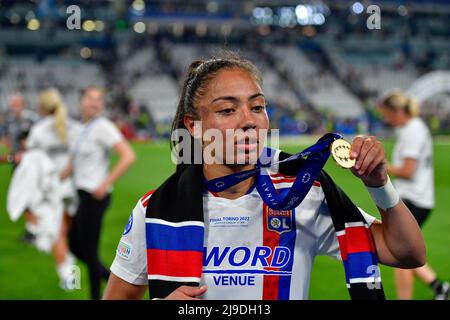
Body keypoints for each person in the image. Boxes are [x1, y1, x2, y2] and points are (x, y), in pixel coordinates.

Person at [104, 55, 425, 300]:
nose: (249, 121)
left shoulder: (305, 193)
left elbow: (406, 253)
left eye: (257, 107)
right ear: (194, 126)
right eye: (228, 110)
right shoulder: (156, 211)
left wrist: (379, 185)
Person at [62, 87, 136, 300]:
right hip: (81, 196)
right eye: (90, 99)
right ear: (81, 102)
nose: (94, 103)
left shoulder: (103, 126)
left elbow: (128, 156)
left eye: (99, 100)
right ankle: (111, 278)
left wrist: (105, 184)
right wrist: (55, 179)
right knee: (74, 244)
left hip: (95, 197)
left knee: (89, 251)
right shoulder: (82, 129)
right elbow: (73, 163)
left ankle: (98, 295)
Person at [378, 90, 449, 300]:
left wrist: (380, 166)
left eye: (386, 113)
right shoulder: (412, 129)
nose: (385, 118)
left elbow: (408, 171)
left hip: (414, 198)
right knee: (404, 250)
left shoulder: (412, 131)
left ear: (397, 111)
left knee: (400, 254)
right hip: (417, 198)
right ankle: (440, 288)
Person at [26, 88, 82, 290]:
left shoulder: (39, 130)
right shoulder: (74, 127)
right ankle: (71, 269)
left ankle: (69, 277)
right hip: (73, 187)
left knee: (57, 233)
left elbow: (32, 163)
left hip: (52, 188)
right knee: (66, 230)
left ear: (42, 108)